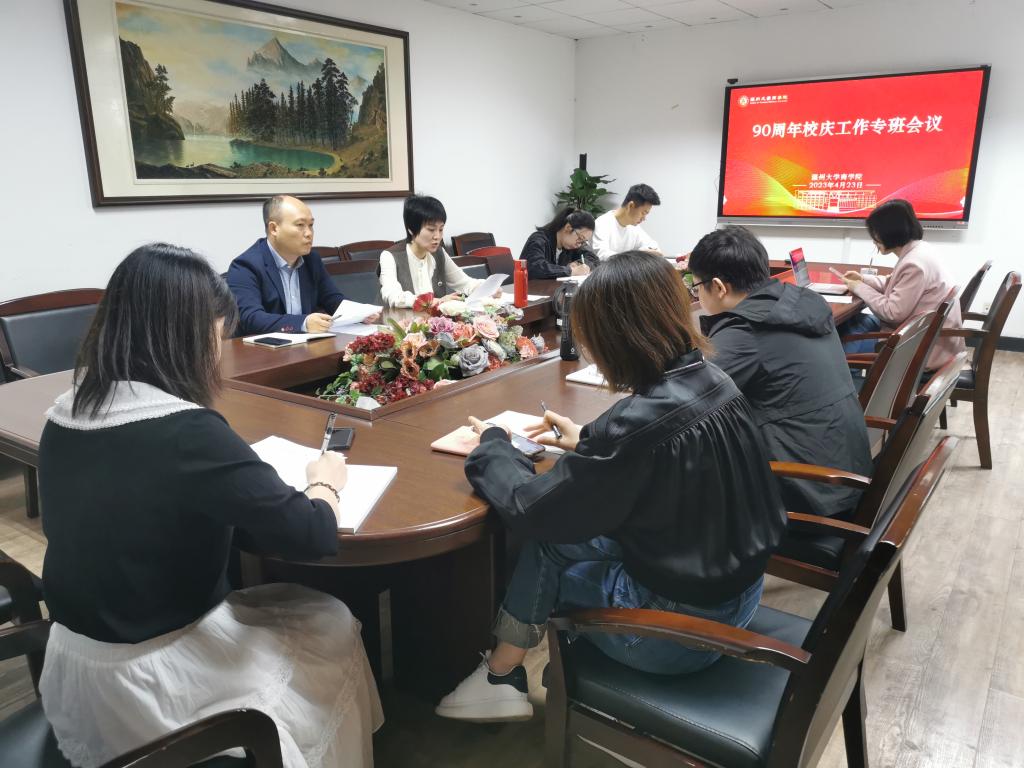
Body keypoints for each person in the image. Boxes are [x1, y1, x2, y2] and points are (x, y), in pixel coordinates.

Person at [38, 244, 383, 768]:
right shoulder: (187, 432)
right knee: (330, 621)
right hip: (153, 682)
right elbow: (311, 533)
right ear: (186, 335)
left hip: (77, 664)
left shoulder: (68, 411)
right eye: (217, 336)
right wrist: (325, 482)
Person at [435, 251, 786, 722]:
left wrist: (495, 443)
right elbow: (659, 453)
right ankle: (501, 677)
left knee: (544, 545)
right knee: (563, 538)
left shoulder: (635, 425)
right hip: (738, 595)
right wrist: (588, 439)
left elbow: (532, 510)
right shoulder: (713, 378)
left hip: (676, 637)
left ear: (612, 336)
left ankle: (499, 677)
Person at [688, 225, 873, 519]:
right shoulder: (801, 305)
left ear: (719, 287)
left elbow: (683, 400)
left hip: (805, 497)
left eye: (696, 287)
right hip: (844, 475)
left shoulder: (745, 333)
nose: (697, 295)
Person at [839, 199, 964, 369]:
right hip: (924, 333)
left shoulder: (914, 264)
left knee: (846, 336)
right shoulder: (920, 249)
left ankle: (849, 377)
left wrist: (859, 288)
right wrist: (863, 279)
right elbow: (895, 284)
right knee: (853, 323)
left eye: (876, 233)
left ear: (890, 231)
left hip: (919, 345)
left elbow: (892, 312)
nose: (874, 240)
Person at [227, 194, 379, 336]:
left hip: (306, 347)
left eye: (311, 225)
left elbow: (332, 299)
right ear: (274, 228)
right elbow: (250, 318)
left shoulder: (311, 259)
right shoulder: (245, 266)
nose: (309, 233)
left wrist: (358, 313)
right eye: (300, 225)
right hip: (264, 350)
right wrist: (303, 323)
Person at [377, 194, 497, 308]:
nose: (437, 236)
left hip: (432, 321)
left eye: (441, 229)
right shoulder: (390, 256)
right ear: (411, 229)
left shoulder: (438, 253)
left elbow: (464, 283)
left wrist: (489, 288)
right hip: (397, 321)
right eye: (431, 229)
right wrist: (432, 301)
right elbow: (392, 295)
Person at [519, 207, 599, 279]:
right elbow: (535, 267)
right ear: (568, 228)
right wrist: (571, 271)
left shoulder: (572, 245)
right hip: (529, 289)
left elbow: (594, 259)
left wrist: (579, 263)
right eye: (580, 238)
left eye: (583, 241)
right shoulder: (539, 240)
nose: (579, 244)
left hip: (552, 288)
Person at [591, 183, 663, 260]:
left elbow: (653, 246)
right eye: (643, 213)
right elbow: (602, 255)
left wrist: (649, 252)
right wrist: (636, 255)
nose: (644, 218)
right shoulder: (602, 224)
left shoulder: (634, 227)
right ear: (630, 206)